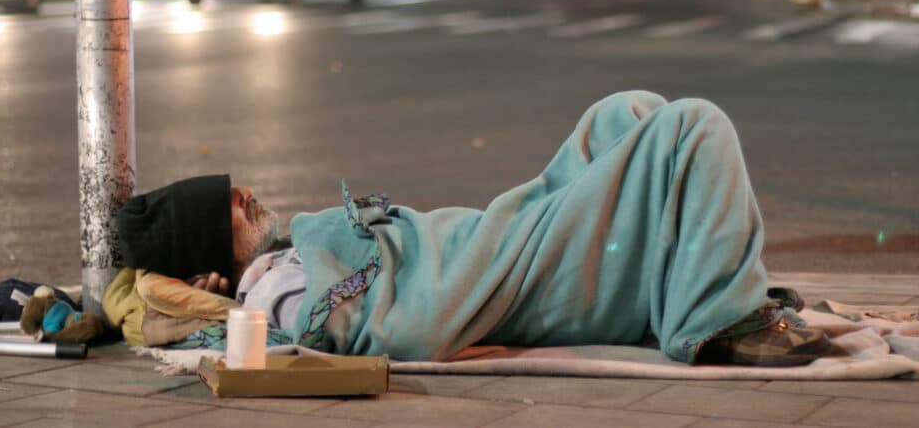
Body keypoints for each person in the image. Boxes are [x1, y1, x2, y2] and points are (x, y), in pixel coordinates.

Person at [113, 91, 839, 367]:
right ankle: (718, 323)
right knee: (692, 126)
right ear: (212, 256)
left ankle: (682, 282)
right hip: (514, 272)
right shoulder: (275, 290)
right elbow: (391, 326)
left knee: (626, 112)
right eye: (229, 207)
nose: (246, 194)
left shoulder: (284, 258)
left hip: (503, 233)